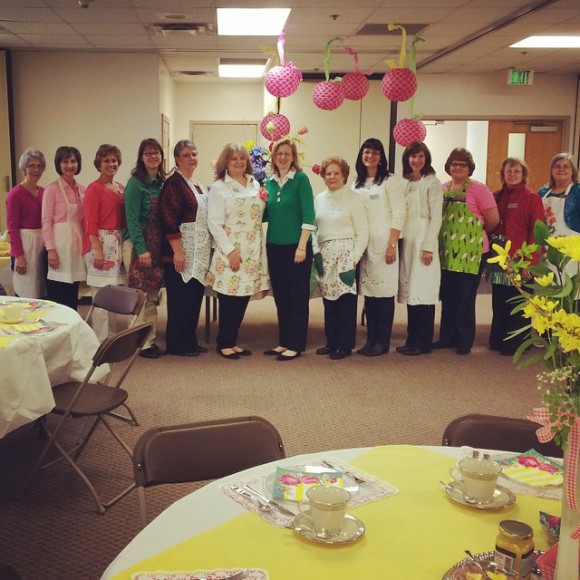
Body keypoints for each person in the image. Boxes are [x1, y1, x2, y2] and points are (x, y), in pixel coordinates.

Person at [206, 143, 269, 360]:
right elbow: (214, 223)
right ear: (225, 162)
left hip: (252, 250)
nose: (239, 162)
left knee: (243, 297)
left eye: (242, 158)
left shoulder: (255, 183)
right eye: (234, 159)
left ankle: (232, 341)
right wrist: (231, 251)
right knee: (229, 298)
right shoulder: (219, 187)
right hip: (231, 249)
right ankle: (224, 343)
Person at [435, 147, 499, 355]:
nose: (458, 167)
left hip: (472, 252)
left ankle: (464, 340)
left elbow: (493, 220)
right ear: (448, 167)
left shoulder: (479, 189)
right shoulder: (442, 188)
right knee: (448, 296)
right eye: (454, 164)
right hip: (447, 252)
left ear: (470, 168)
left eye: (463, 164)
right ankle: (446, 337)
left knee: (465, 298)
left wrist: (473, 235)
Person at [351, 138, 405, 356]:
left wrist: (392, 244)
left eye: (375, 153)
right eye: (366, 152)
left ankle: (382, 342)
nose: (370, 156)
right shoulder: (356, 183)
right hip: (364, 244)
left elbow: (399, 212)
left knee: (384, 294)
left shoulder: (390, 181)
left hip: (385, 243)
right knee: (370, 294)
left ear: (381, 157)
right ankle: (371, 339)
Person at [485, 157, 544, 356]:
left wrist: (530, 262)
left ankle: (516, 343)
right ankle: (498, 339)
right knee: (499, 300)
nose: (512, 175)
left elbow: (536, 232)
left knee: (518, 300)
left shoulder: (532, 198)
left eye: (516, 171)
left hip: (520, 257)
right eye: (508, 171)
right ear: (503, 175)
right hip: (499, 256)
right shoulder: (496, 196)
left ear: (523, 174)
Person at [263, 138, 315, 361]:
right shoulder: (269, 182)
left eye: (287, 153)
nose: (283, 157)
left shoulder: (301, 179)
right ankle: (284, 341)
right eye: (279, 154)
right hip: (274, 246)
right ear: (273, 158)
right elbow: (265, 214)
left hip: (297, 247)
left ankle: (296, 344)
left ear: (293, 157)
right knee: (281, 296)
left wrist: (302, 246)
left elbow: (309, 215)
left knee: (297, 297)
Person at [159, 139, 211, 357]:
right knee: (180, 300)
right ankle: (177, 344)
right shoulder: (173, 184)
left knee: (194, 298)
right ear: (177, 159)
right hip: (181, 251)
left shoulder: (196, 182)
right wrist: (178, 252)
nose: (192, 158)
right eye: (187, 155)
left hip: (199, 252)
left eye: (194, 154)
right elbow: (168, 220)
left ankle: (190, 340)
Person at [314, 156, 369, 360]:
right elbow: (313, 228)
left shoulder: (354, 199)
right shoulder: (319, 199)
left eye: (336, 173)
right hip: (325, 255)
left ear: (344, 175)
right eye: (328, 173)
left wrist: (354, 257)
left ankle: (344, 345)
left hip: (347, 254)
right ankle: (331, 342)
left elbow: (363, 231)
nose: (332, 177)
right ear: (323, 176)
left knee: (345, 302)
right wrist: (315, 253)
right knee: (329, 301)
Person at [396, 141, 442, 356]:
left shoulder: (432, 183)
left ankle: (423, 342)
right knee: (411, 290)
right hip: (407, 239)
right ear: (407, 159)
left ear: (426, 158)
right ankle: (411, 338)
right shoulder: (405, 182)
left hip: (424, 239)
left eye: (421, 156)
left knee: (423, 291)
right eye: (413, 156)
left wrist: (429, 246)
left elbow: (436, 218)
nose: (416, 160)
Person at [124, 138, 166, 359]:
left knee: (151, 295)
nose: (153, 157)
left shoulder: (161, 182)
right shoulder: (135, 184)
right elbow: (131, 221)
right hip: (138, 245)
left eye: (156, 153)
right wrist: (142, 250)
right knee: (140, 296)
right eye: (148, 153)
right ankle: (139, 344)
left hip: (156, 244)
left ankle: (149, 340)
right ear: (141, 157)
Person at [84, 144, 127, 342]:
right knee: (101, 295)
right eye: (106, 161)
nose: (111, 164)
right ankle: (100, 340)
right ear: (99, 164)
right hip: (100, 244)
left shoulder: (121, 188)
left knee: (113, 295)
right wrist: (98, 251)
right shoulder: (94, 188)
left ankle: (112, 337)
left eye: (114, 160)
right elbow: (90, 222)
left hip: (117, 243)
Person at [42, 146, 86, 310]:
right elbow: (46, 221)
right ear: (58, 164)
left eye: (73, 161)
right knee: (58, 291)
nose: (69, 165)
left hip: (76, 243)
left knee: (73, 288)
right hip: (59, 244)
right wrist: (51, 250)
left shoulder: (82, 189)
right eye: (65, 161)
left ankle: (72, 320)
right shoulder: (52, 189)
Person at [6, 148, 47, 298]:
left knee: (41, 288)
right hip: (25, 245)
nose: (36, 170)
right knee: (26, 289)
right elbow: (12, 228)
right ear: (24, 168)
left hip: (41, 244)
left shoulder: (43, 192)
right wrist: (19, 256)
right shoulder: (15, 194)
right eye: (32, 166)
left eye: (39, 166)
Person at [539, 153, 580, 236]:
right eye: (557, 166)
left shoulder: (577, 191)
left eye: (566, 166)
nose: (561, 169)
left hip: (572, 240)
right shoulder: (542, 192)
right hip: (547, 240)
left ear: (573, 171)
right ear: (551, 171)